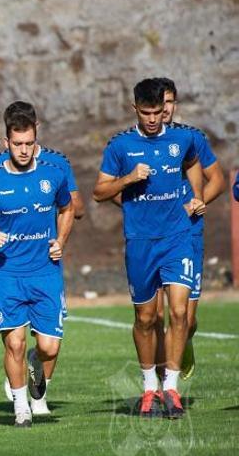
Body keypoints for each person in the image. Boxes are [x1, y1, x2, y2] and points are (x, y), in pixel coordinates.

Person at [92, 78, 203, 419]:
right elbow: (99, 192)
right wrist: (128, 180)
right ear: (135, 109)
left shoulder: (183, 138)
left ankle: (171, 388)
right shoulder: (120, 146)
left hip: (178, 238)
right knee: (144, 318)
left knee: (181, 313)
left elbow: (194, 165)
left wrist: (195, 199)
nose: (154, 119)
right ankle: (148, 389)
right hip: (140, 242)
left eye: (158, 112)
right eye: (146, 112)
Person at [0, 108, 75, 428]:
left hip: (45, 271)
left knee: (48, 346)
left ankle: (34, 370)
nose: (24, 150)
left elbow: (68, 209)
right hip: (8, 274)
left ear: (35, 140)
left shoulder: (52, 174)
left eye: (29, 143)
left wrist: (62, 240)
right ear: (6, 142)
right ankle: (20, 406)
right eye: (18, 144)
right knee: (14, 342)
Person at [151, 77, 225, 381]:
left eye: (169, 102)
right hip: (152, 237)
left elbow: (217, 180)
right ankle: (159, 386)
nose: (165, 109)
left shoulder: (191, 139)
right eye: (160, 103)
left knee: (186, 319)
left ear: (175, 104)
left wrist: (198, 200)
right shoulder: (138, 144)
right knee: (154, 316)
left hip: (188, 235)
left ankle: (184, 342)